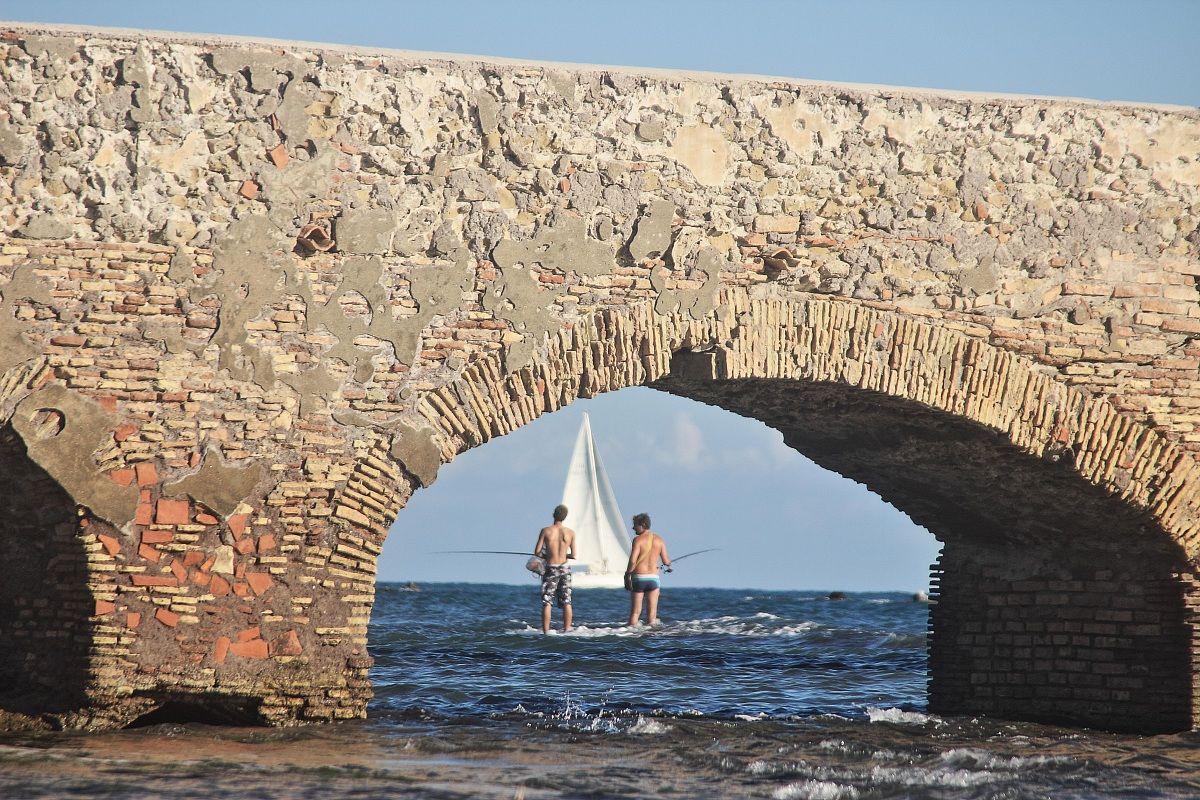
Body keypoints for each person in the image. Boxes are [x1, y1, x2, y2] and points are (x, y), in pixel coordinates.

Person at [533, 504, 575, 634]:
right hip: (565, 568)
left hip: (551, 568)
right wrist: (564, 555)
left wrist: (547, 555)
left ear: (553, 515)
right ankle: (567, 629)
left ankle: (546, 631)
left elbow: (537, 552)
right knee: (567, 601)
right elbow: (574, 555)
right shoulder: (570, 533)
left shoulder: (545, 531)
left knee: (547, 601)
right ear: (565, 517)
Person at [624, 512, 671, 627]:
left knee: (635, 613)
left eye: (635, 524)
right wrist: (669, 563)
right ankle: (651, 635)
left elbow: (633, 560)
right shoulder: (659, 539)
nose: (633, 527)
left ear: (643, 525)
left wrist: (627, 575)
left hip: (639, 578)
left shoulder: (637, 540)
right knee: (652, 615)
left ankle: (630, 633)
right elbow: (666, 562)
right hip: (654, 579)